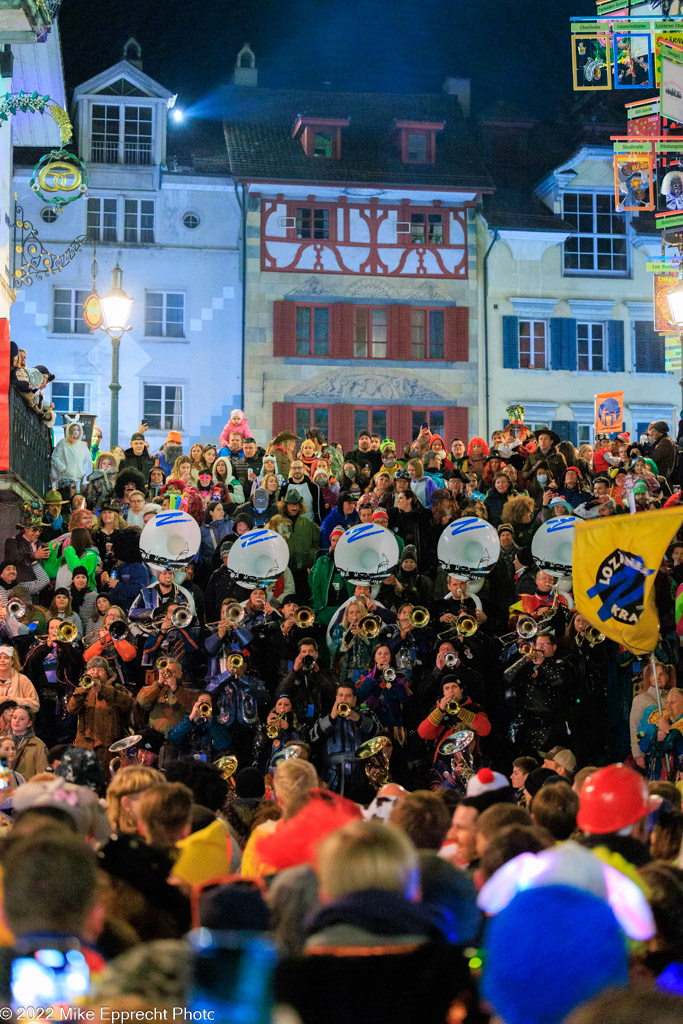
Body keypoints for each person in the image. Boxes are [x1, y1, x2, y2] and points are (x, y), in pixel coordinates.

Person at [310, 684, 380, 801]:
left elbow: (380, 735)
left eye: (348, 696)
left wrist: (358, 719)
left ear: (354, 699)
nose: (343, 699)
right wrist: (332, 718)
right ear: (336, 698)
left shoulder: (367, 715)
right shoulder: (324, 716)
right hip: (333, 774)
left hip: (361, 772)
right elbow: (313, 737)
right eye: (340, 695)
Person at [66, 656, 134, 770]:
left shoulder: (117, 690)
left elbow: (126, 703)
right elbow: (71, 709)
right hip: (84, 749)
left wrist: (102, 688)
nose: (96, 673)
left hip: (109, 750)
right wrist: (83, 689)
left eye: (100, 669)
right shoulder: (82, 692)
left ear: (108, 674)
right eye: (92, 669)